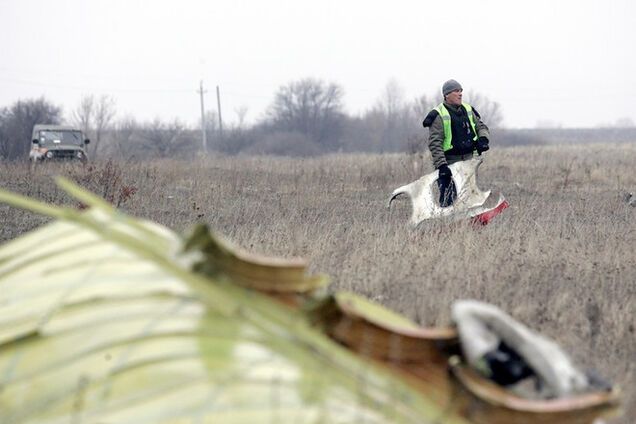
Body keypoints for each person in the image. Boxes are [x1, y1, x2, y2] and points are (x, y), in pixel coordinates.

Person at [423, 79, 491, 207]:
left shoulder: (468, 109)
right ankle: (447, 226)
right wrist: (442, 166)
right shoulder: (438, 115)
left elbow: (482, 127)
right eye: (456, 91)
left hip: (468, 162)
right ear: (446, 95)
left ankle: (472, 226)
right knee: (449, 201)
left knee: (471, 200)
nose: (460, 94)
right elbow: (435, 144)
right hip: (449, 164)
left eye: (461, 91)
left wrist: (483, 139)